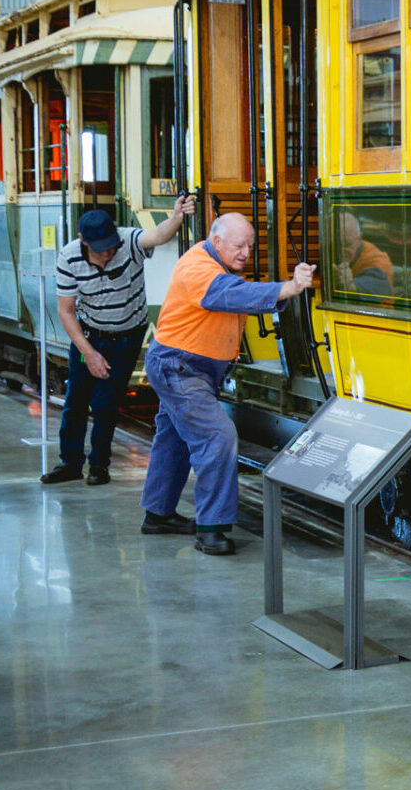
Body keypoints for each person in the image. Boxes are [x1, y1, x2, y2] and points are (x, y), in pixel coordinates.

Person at [139, 213, 315, 555]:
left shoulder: (219, 263)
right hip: (179, 368)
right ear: (216, 241)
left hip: (187, 368)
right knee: (217, 437)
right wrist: (289, 288)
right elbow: (226, 294)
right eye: (239, 246)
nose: (246, 253)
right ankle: (211, 529)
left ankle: (158, 515)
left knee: (173, 439)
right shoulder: (199, 268)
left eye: (250, 245)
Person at [41, 198, 194, 487]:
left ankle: (99, 466)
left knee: (105, 403)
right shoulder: (68, 257)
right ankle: (70, 462)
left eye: (111, 246)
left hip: (126, 338)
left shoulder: (128, 241)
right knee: (76, 400)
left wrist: (176, 216)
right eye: (100, 250)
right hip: (88, 339)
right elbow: (66, 310)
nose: (108, 254)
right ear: (82, 241)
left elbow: (159, 235)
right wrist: (90, 354)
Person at [332, 210, 394, 298]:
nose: (341, 250)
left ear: (359, 238)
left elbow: (379, 289)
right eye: (336, 244)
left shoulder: (377, 260)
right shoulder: (327, 250)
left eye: (347, 244)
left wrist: (350, 286)